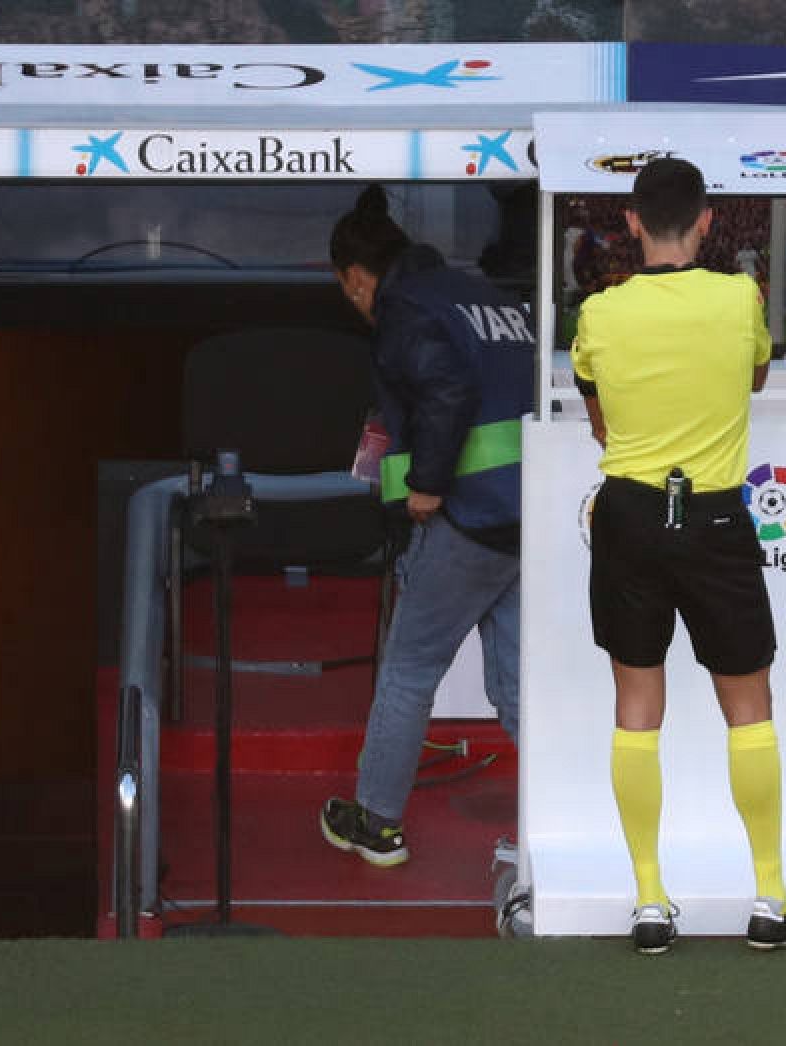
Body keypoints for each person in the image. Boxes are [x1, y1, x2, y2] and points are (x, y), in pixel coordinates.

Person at [571, 158, 786, 955]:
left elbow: (599, 420)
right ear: (708, 222)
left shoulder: (599, 313)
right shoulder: (738, 297)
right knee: (749, 706)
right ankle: (770, 898)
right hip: (713, 513)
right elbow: (755, 375)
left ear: (632, 223)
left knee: (635, 705)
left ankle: (649, 900)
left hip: (630, 512)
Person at [319, 185, 534, 867]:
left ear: (356, 277)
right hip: (525, 510)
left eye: (346, 290)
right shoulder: (485, 298)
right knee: (517, 685)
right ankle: (571, 811)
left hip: (468, 516)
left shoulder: (407, 310)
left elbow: (446, 391)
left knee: (409, 669)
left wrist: (425, 487)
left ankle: (376, 822)